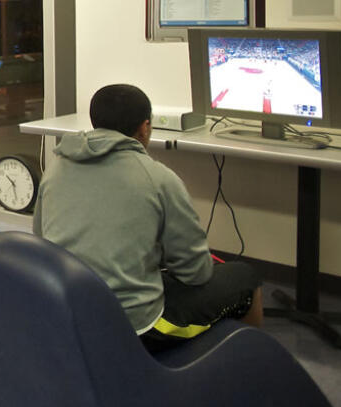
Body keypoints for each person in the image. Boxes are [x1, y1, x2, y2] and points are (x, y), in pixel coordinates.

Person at [33, 83, 262, 350]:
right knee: (246, 277)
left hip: (68, 310)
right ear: (144, 127)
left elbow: (41, 240)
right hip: (137, 325)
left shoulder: (55, 169)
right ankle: (251, 366)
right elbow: (196, 273)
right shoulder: (159, 178)